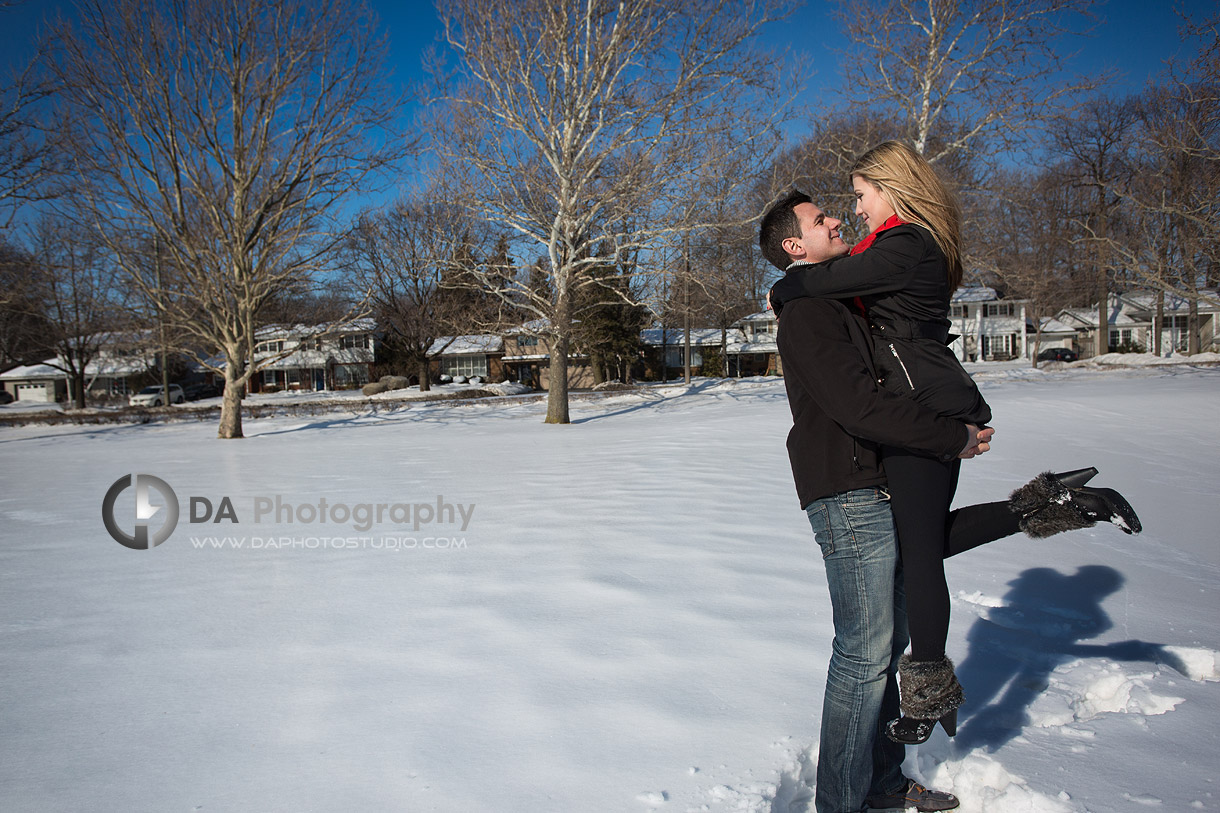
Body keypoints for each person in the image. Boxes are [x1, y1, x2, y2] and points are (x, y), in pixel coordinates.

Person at [760, 189, 1142, 813]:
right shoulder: (809, 313)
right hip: (847, 491)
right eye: (819, 218)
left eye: (837, 208)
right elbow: (858, 406)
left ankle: (881, 785)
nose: (835, 218)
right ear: (795, 246)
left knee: (883, 653)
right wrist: (951, 437)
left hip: (878, 480)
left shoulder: (838, 299)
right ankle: (838, 804)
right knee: (862, 655)